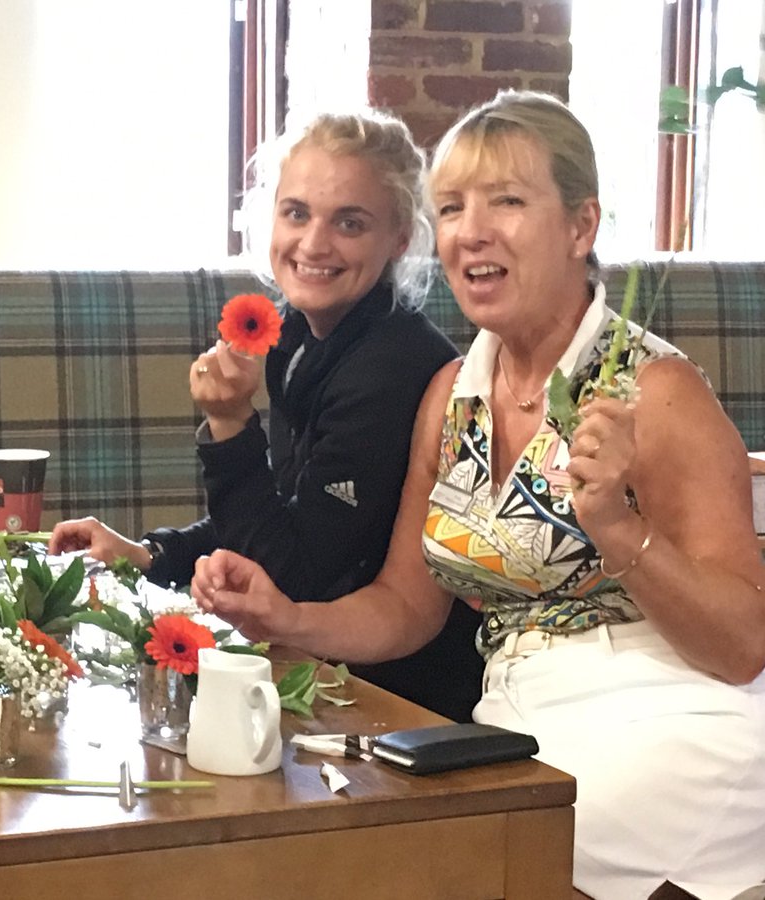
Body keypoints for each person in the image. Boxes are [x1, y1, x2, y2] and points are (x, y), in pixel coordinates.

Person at [191, 90, 765, 899]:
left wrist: (616, 529)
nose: (471, 230)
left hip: (663, 724)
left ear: (580, 226)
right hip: (516, 732)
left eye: (508, 202)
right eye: (453, 207)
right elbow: (404, 605)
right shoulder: (451, 395)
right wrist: (285, 617)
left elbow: (742, 646)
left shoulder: (658, 392)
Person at [50, 111, 485, 722]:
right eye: (297, 213)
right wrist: (147, 553)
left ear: (399, 240)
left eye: (349, 223)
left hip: (399, 701)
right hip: (314, 666)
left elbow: (292, 577)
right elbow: (283, 508)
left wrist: (230, 429)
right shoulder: (298, 338)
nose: (313, 244)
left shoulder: (392, 368)